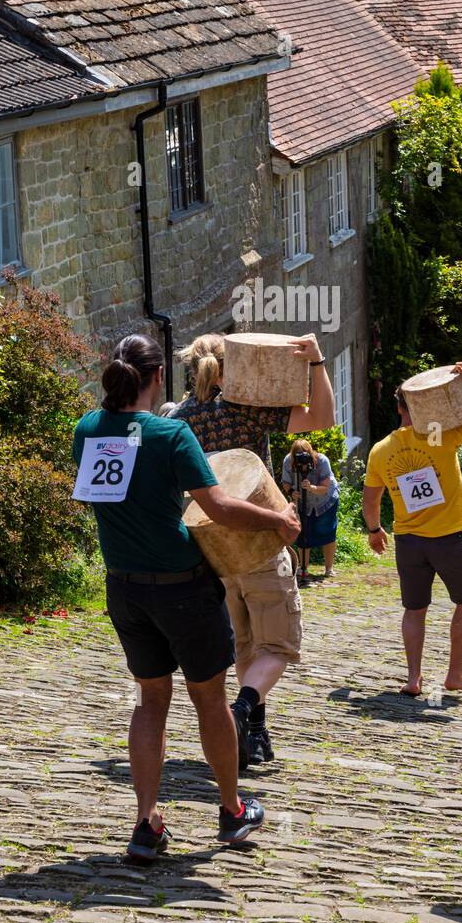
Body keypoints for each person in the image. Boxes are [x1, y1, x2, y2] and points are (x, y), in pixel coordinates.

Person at [72, 334, 300, 860]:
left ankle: (146, 823)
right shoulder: (170, 434)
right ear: (156, 379)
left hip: (124, 586)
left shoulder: (87, 429)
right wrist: (279, 518)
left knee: (149, 702)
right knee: (209, 700)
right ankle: (231, 810)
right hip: (181, 587)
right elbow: (219, 508)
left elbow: (92, 499)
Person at [170, 331, 335, 768]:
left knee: (243, 643)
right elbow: (321, 416)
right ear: (233, 366)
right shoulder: (249, 410)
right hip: (262, 538)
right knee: (277, 645)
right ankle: (242, 711)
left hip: (214, 548)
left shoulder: (180, 419)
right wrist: (316, 362)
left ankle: (254, 734)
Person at [361, 361, 462, 697]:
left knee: (414, 609)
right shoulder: (438, 434)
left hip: (409, 541)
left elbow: (370, 499)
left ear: (398, 408)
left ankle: (413, 678)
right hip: (450, 537)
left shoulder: (380, 451)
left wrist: (374, 530)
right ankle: (455, 675)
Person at [282, 439, 340, 583]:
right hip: (303, 501)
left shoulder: (322, 461)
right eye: (298, 457)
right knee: (303, 532)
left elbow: (326, 486)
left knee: (327, 530)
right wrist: (291, 492)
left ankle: (329, 568)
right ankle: (303, 568)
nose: (301, 461)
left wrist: (312, 488)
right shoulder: (289, 461)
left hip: (325, 499)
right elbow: (286, 482)